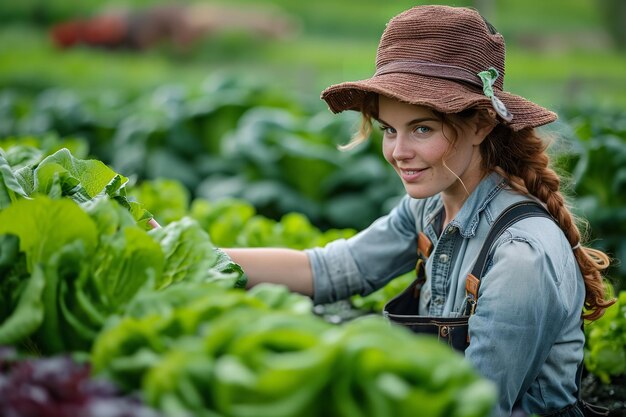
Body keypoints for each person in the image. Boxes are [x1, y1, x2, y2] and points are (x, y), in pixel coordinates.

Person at [225, 5, 615, 417]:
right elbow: (334, 269)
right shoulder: (431, 206)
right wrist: (202, 258)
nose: (398, 152)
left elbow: (477, 407)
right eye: (389, 130)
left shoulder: (521, 257)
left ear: (481, 125)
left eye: (422, 128)